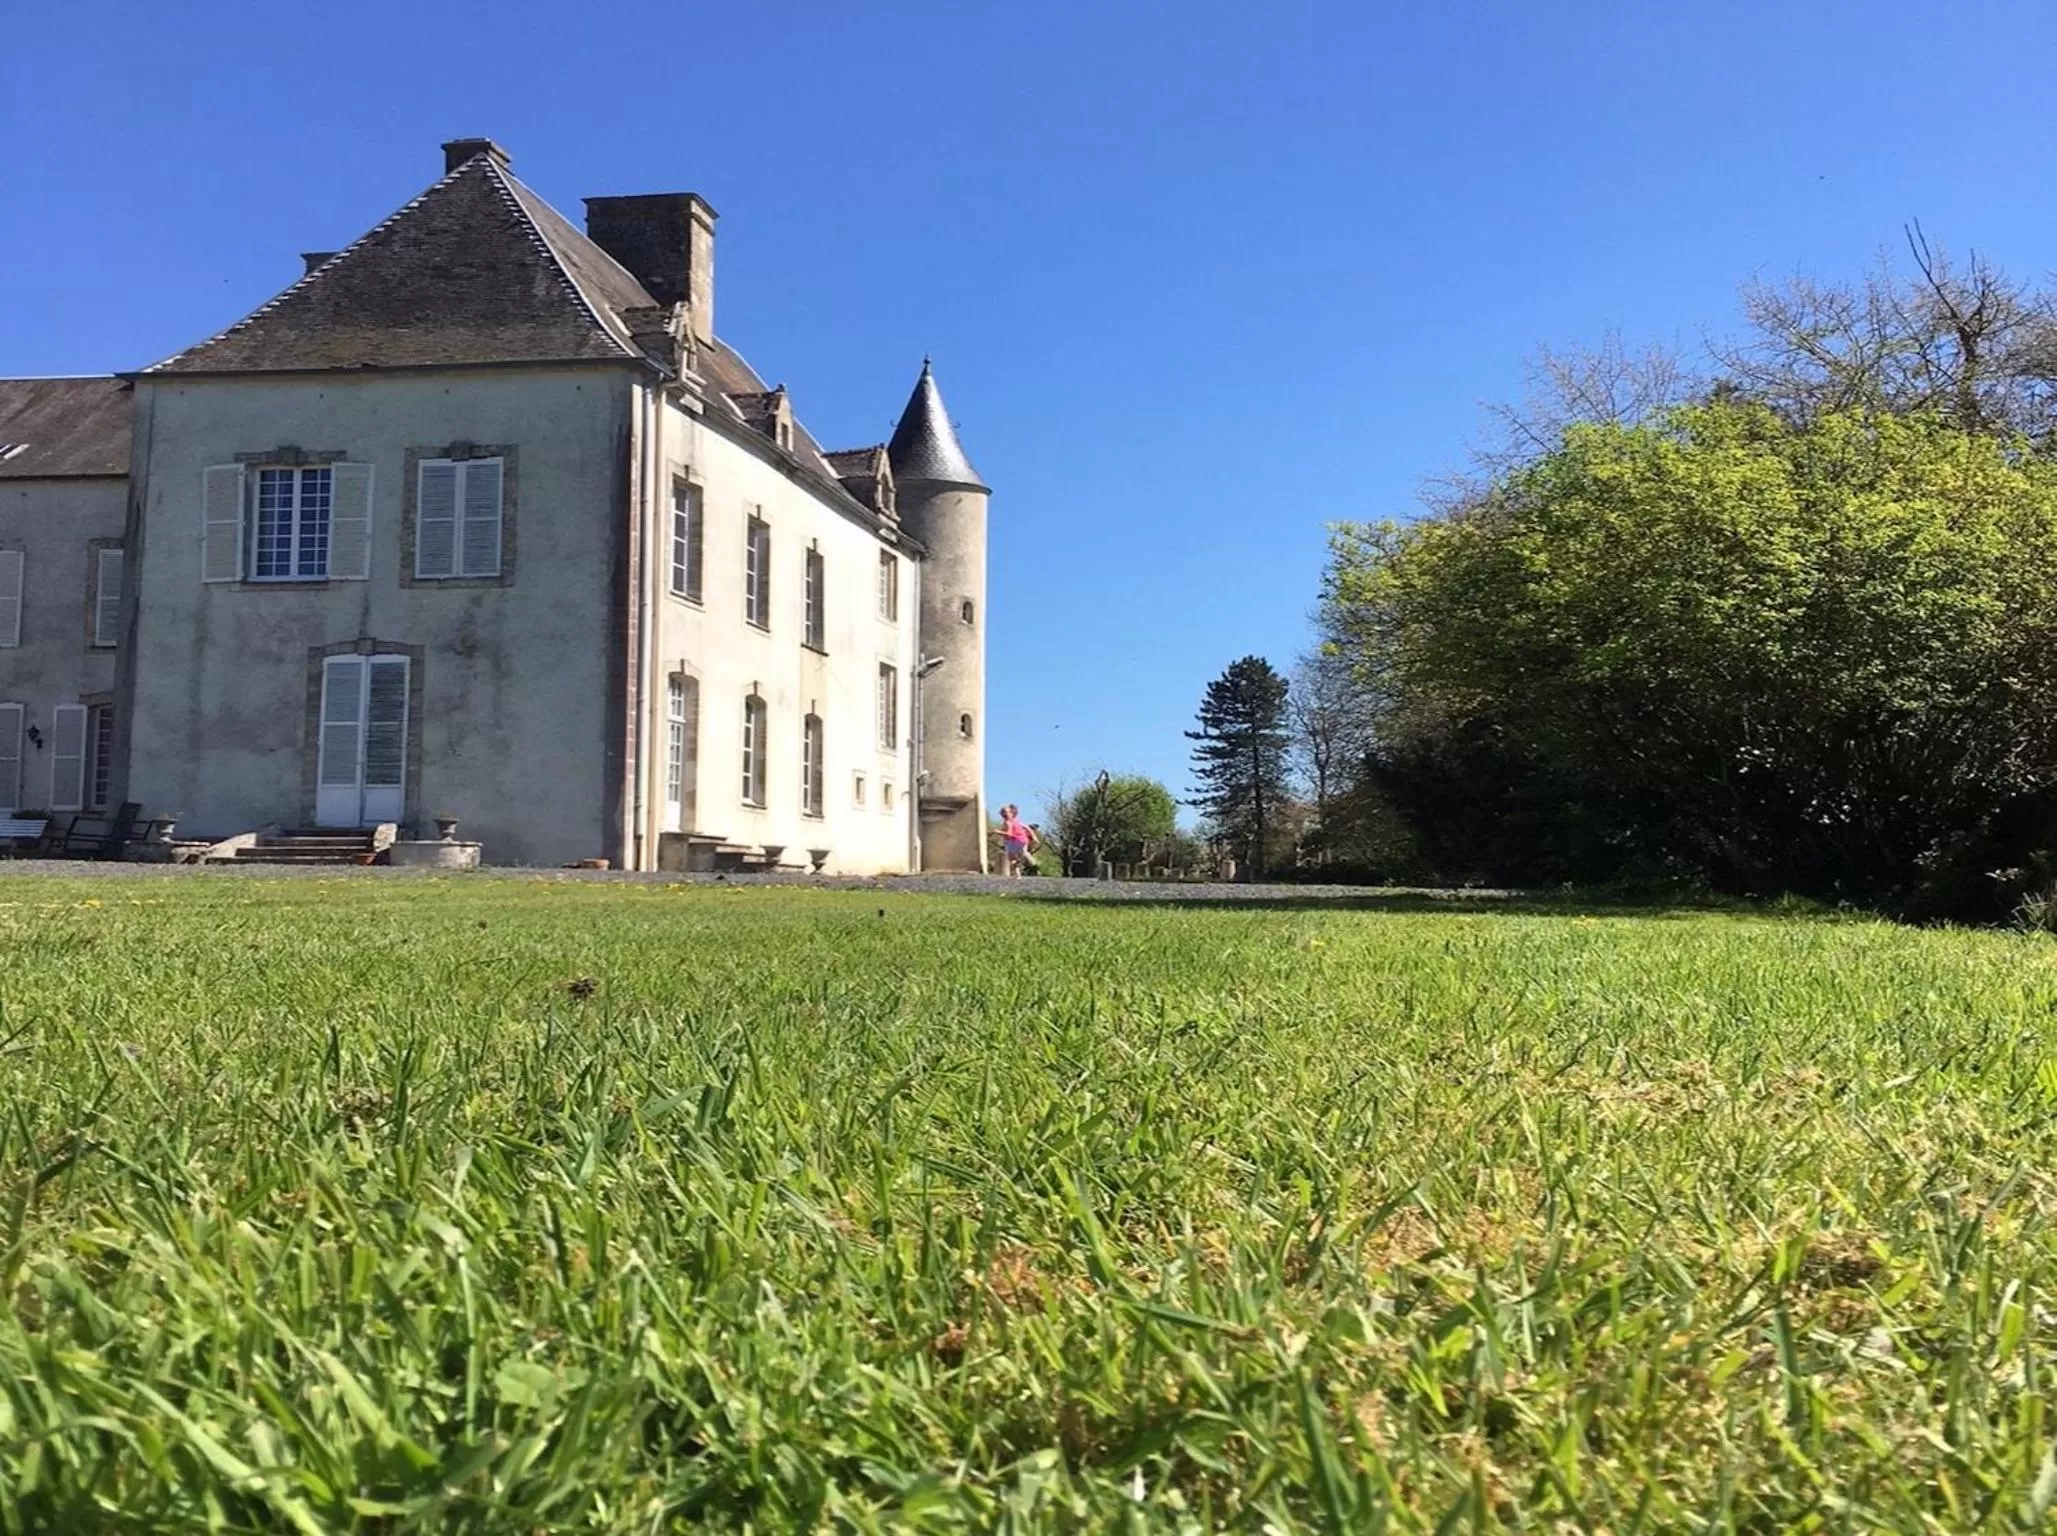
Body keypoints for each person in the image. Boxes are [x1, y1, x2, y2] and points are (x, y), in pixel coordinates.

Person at [998, 804, 1037, 877]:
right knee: (1017, 856)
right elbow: (1027, 828)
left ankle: (1022, 863)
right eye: (1002, 812)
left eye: (1006, 812)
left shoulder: (1008, 822)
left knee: (1013, 858)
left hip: (1016, 841)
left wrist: (997, 832)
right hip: (1019, 840)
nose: (1004, 813)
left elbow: (1009, 834)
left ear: (1012, 813)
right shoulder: (1015, 822)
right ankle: (1018, 874)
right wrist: (1034, 837)